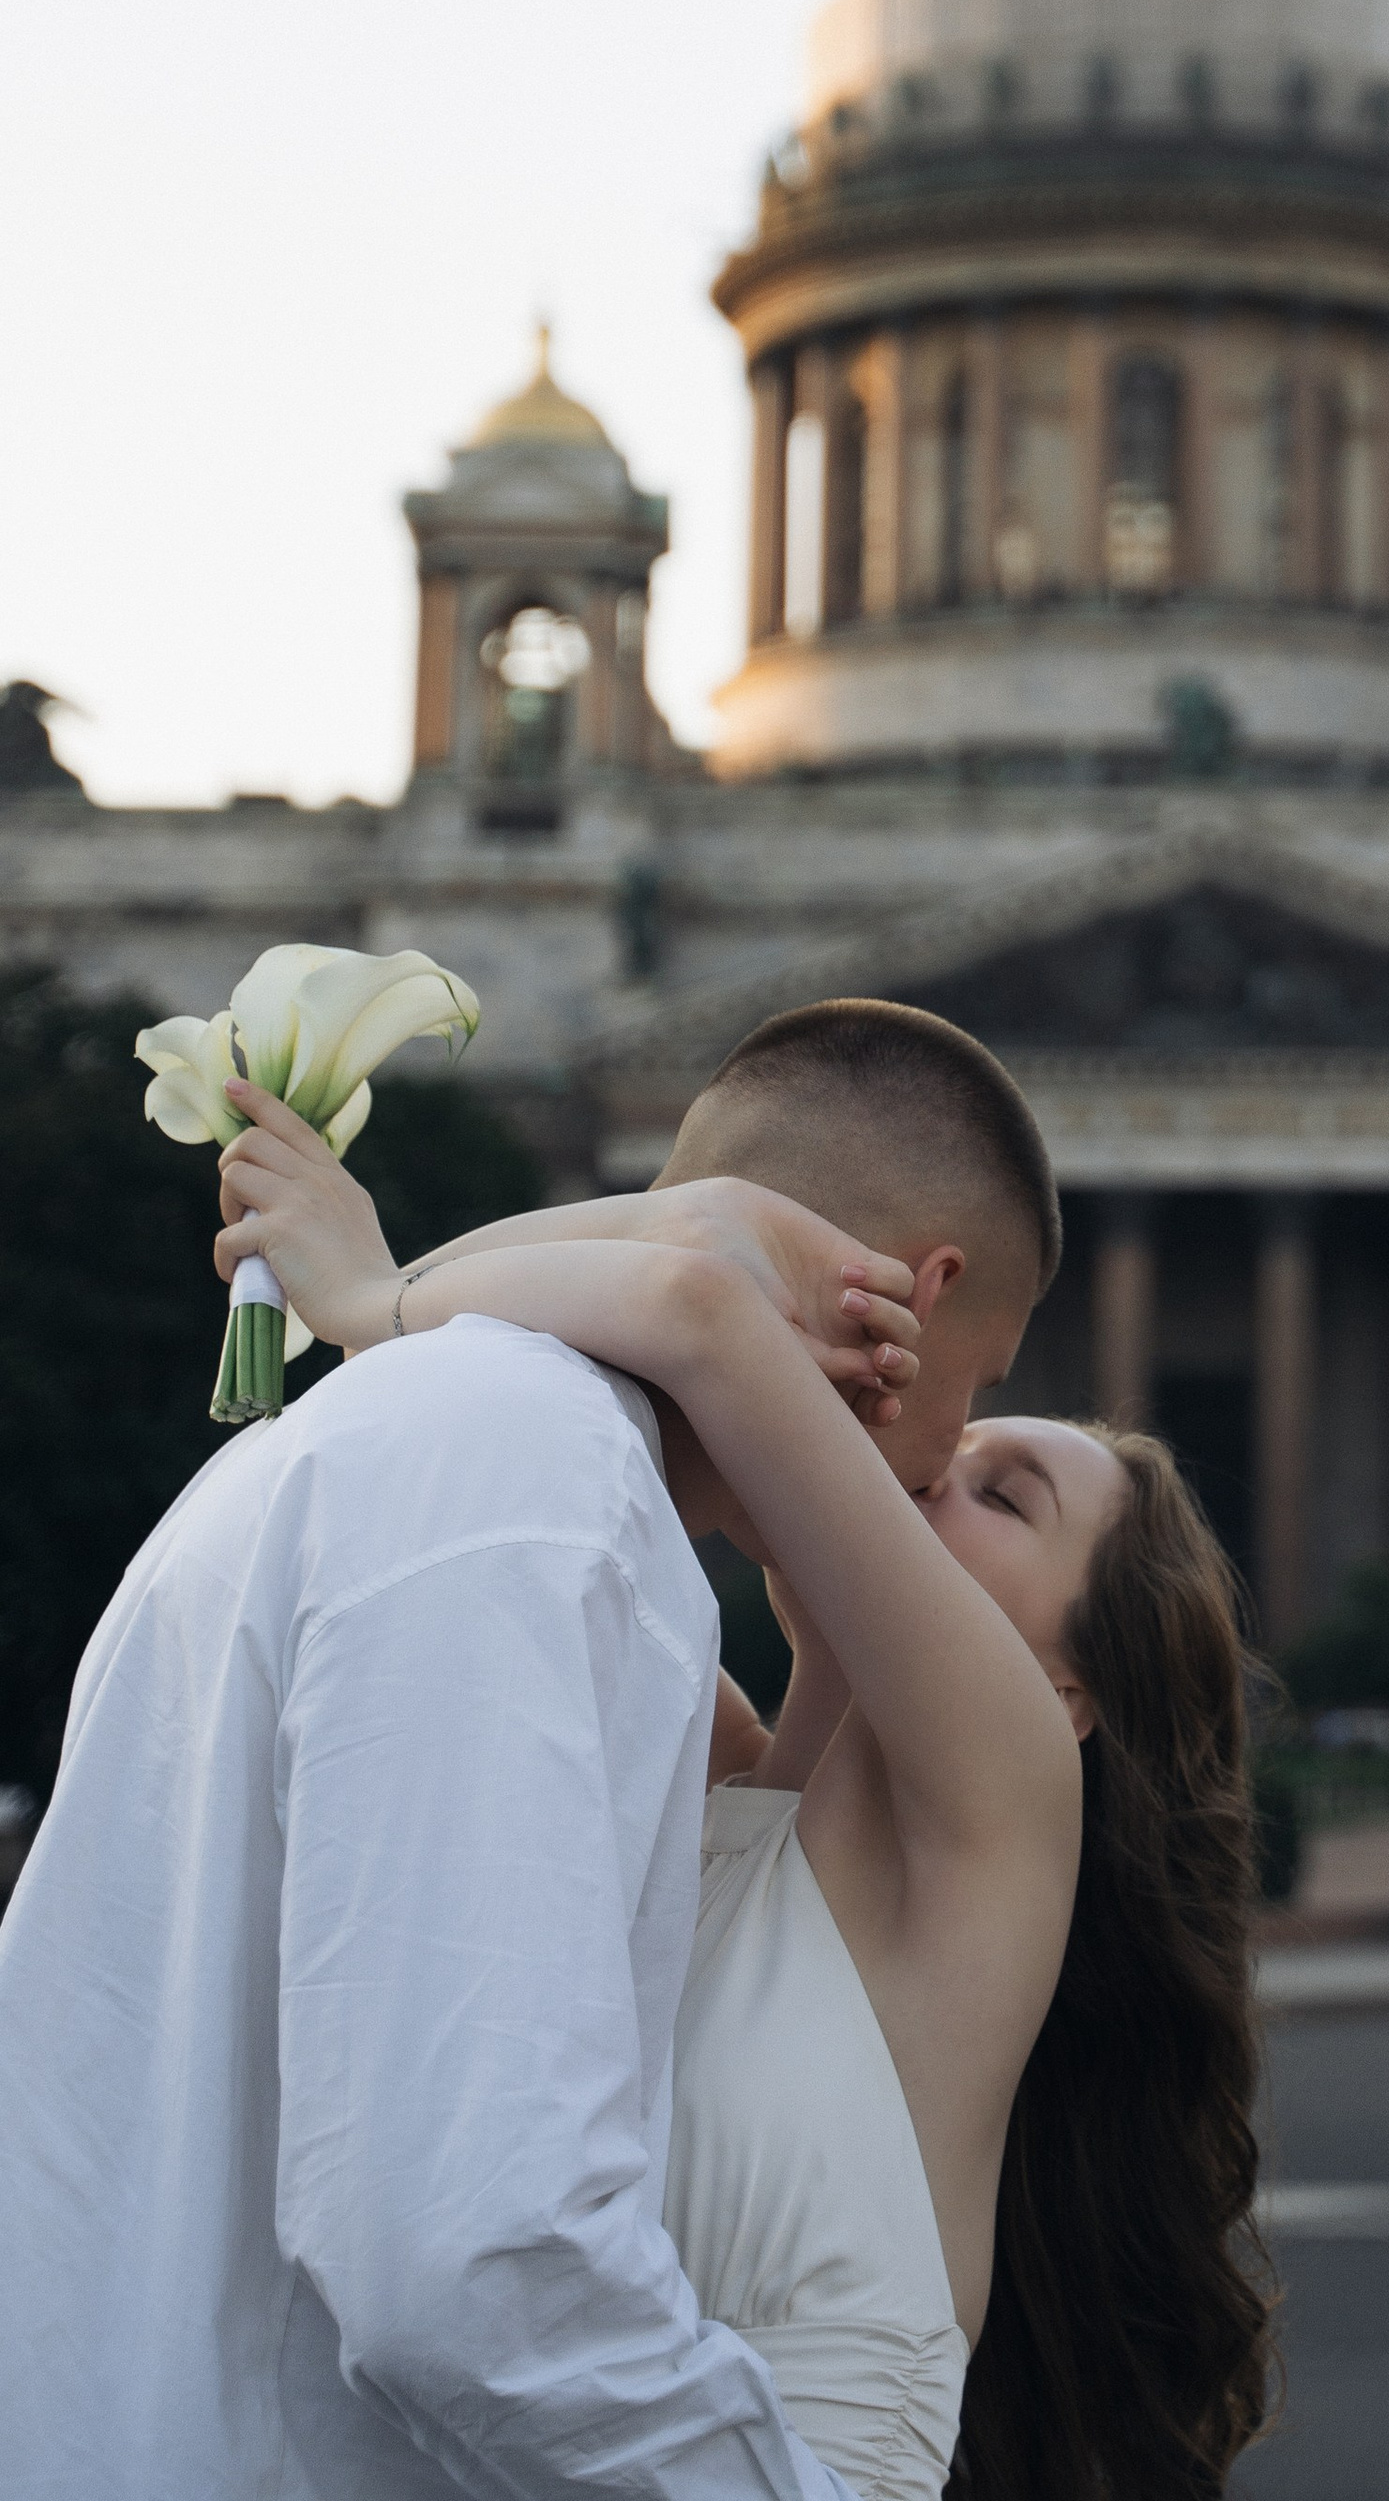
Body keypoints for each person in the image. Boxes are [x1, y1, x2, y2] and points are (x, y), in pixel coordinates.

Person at [221, 1016, 1274, 2501]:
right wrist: (708, 1214)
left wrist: (379, 1295)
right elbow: (649, 1301)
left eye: (1002, 1490)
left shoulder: (1009, 1792)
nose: (935, 1436)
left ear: (1067, 1683)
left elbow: (697, 1317)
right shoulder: (722, 1763)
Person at [0, 1000, 1028, 2496]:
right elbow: (469, 2258)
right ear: (918, 1293)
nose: (944, 1466)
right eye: (985, 1381)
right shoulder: (538, 1496)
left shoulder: (432, 1453)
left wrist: (414, 1280)